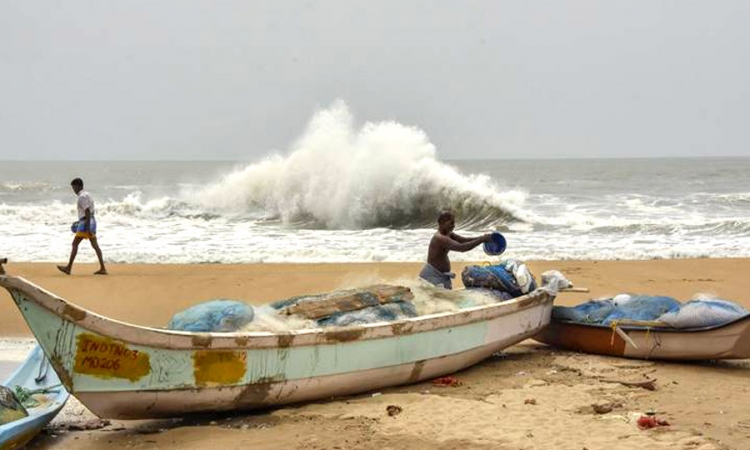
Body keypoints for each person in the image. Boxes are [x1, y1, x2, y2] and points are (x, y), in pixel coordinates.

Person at [419, 210, 490, 289]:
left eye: (454, 223)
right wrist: (482, 240)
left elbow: (464, 240)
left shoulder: (448, 234)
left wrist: (482, 238)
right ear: (442, 222)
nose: (453, 226)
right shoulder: (440, 238)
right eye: (451, 223)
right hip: (432, 277)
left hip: (440, 276)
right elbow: (462, 247)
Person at [57, 178, 107, 275]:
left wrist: (87, 227)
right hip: (91, 221)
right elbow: (88, 212)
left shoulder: (81, 197)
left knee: (75, 244)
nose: (73, 190)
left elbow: (87, 211)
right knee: (95, 245)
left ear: (78, 186)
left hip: (86, 223)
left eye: (74, 187)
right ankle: (103, 268)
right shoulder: (87, 195)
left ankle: (68, 268)